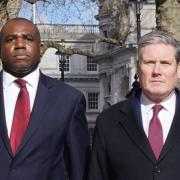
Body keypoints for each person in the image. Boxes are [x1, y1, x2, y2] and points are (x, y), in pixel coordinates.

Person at [0, 18, 90, 180]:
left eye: (28, 38)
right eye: (10, 39)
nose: (19, 44)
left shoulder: (69, 100)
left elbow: (78, 168)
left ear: (41, 49)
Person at [88, 30, 180, 180]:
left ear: (178, 70)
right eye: (149, 62)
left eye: (165, 63)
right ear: (138, 69)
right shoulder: (108, 122)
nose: (157, 71)